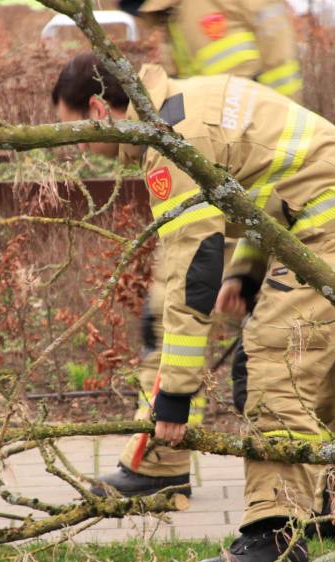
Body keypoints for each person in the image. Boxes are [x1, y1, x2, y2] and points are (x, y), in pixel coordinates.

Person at [52, 53, 335, 562]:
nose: (78, 147)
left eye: (76, 132)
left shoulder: (170, 139)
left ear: (97, 108)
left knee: (275, 359)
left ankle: (273, 538)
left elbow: (191, 274)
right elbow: (270, 179)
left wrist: (174, 395)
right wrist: (247, 268)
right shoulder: (185, 101)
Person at [91, 0, 305, 500]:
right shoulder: (176, 15)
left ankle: (170, 459)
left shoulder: (214, 7)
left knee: (191, 311)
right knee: (171, 315)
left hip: (250, 176)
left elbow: (248, 94)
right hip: (234, 176)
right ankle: (163, 455)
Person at [119, 0, 303, 100]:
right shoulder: (173, 14)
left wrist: (286, 111)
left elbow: (280, 56)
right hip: (219, 124)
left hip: (258, 115)